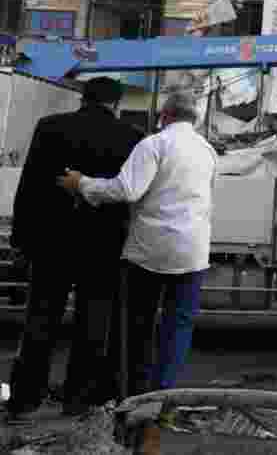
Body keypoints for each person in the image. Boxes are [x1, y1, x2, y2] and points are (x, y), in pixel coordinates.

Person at [58, 92, 218, 395]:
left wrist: (81, 183)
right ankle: (163, 394)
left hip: (150, 252)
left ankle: (133, 392)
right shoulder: (207, 150)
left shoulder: (153, 144)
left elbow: (127, 190)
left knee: (138, 324)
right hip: (193, 252)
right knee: (178, 327)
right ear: (193, 119)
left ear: (165, 115)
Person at [5, 78, 144, 420]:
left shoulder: (51, 127)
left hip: (51, 243)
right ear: (116, 103)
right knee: (93, 324)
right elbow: (130, 197)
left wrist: (20, 241)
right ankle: (78, 400)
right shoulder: (132, 137)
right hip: (103, 247)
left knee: (40, 320)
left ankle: (25, 400)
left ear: (83, 98)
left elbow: (30, 186)